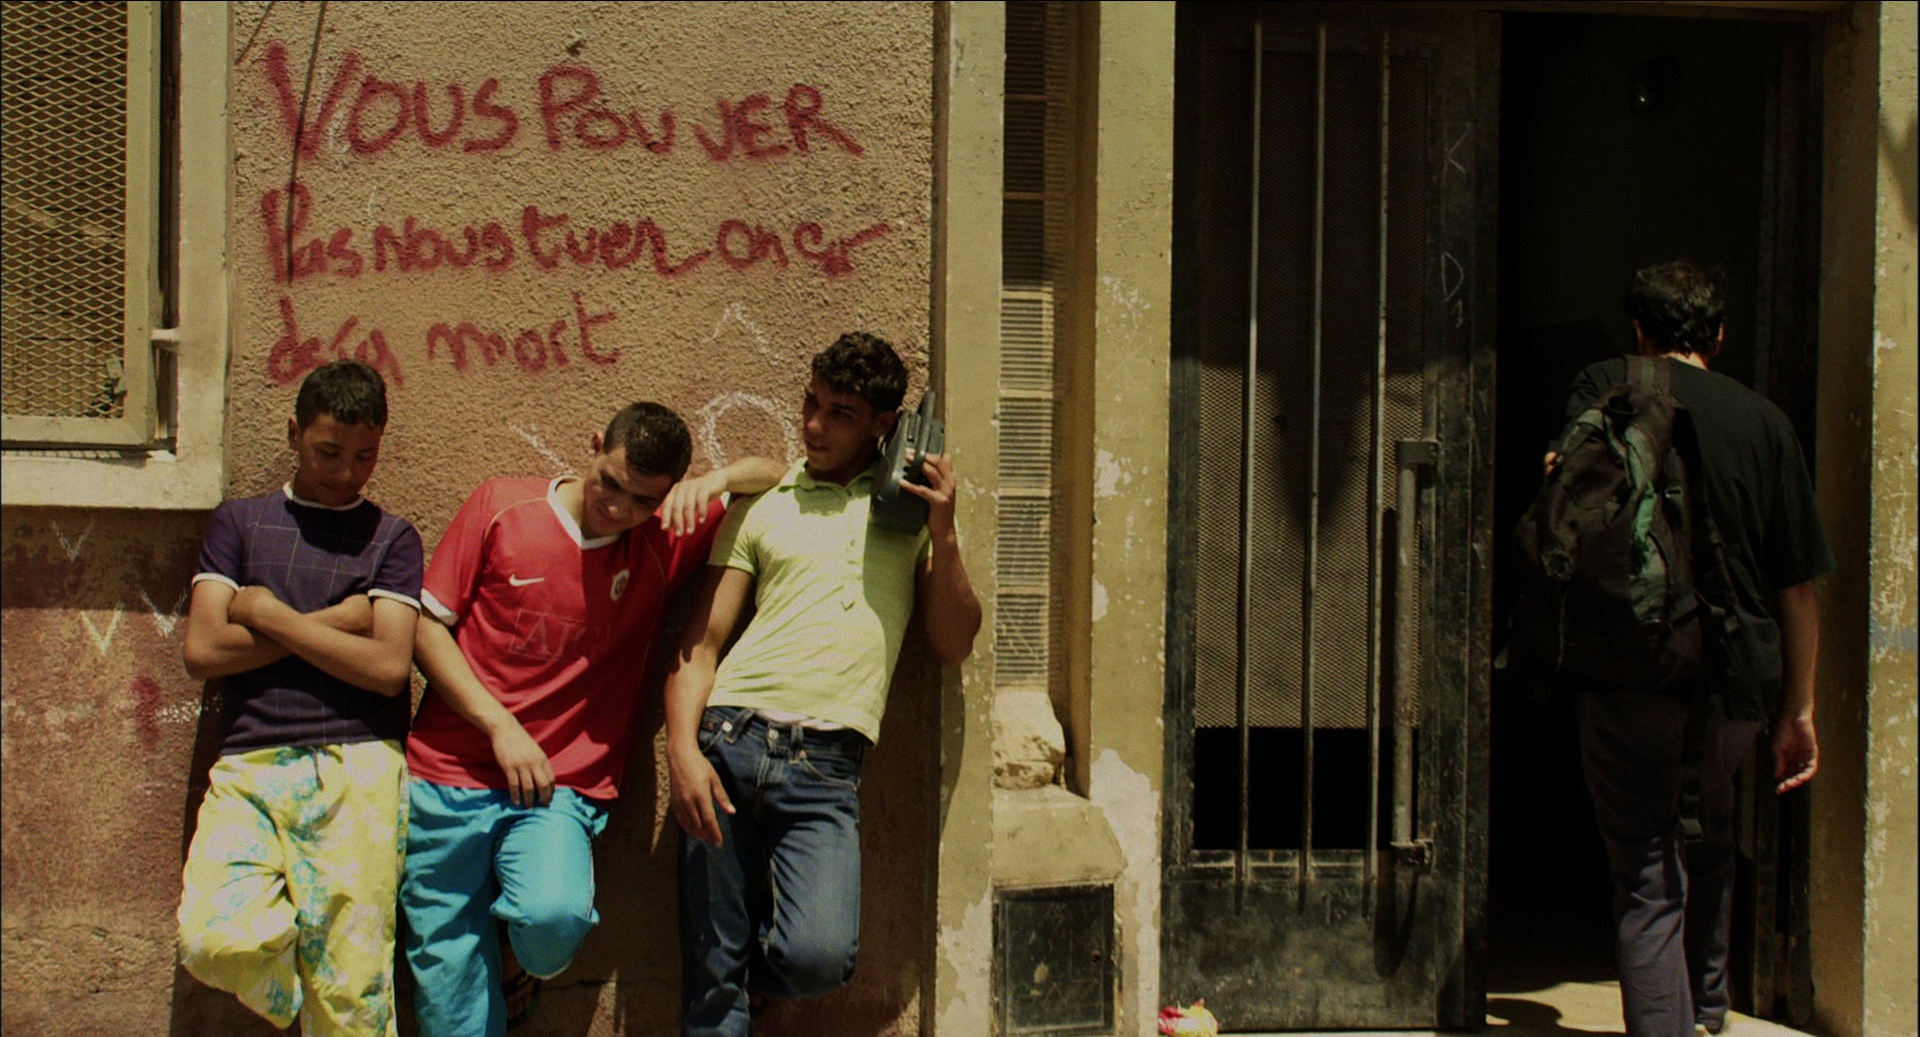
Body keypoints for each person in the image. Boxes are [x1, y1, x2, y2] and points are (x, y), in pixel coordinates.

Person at [399, 401, 783, 1037]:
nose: (617, 507)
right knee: (448, 995)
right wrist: (499, 725)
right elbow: (426, 626)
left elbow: (775, 476)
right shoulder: (502, 505)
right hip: (447, 774)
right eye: (610, 483)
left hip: (557, 786)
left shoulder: (662, 537)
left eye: (641, 499)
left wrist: (715, 482)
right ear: (595, 444)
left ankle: (517, 958)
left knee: (553, 921)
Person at [665, 331, 982, 1037]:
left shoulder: (909, 515)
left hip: (826, 767)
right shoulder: (768, 500)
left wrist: (946, 532)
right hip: (728, 740)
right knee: (712, 982)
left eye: (839, 413)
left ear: (883, 425)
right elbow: (700, 645)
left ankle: (750, 977)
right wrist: (681, 751)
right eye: (811, 403)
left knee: (818, 958)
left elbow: (954, 642)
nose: (814, 425)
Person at [1547, 260, 1832, 1037]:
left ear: (1639, 329)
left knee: (1647, 869)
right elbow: (1799, 587)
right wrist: (1799, 707)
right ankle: (1708, 1006)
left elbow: (1559, 493)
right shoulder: (1765, 423)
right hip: (1736, 675)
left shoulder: (1605, 384)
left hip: (1629, 664)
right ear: (1720, 334)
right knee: (1708, 830)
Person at [177, 359, 423, 1037]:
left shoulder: (392, 538)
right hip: (251, 761)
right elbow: (204, 650)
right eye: (328, 452)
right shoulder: (239, 523)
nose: (346, 473)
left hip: (360, 764)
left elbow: (387, 668)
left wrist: (266, 613)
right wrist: (340, 620)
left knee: (352, 994)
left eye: (365, 456)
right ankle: (303, 987)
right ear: (293, 434)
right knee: (213, 938)